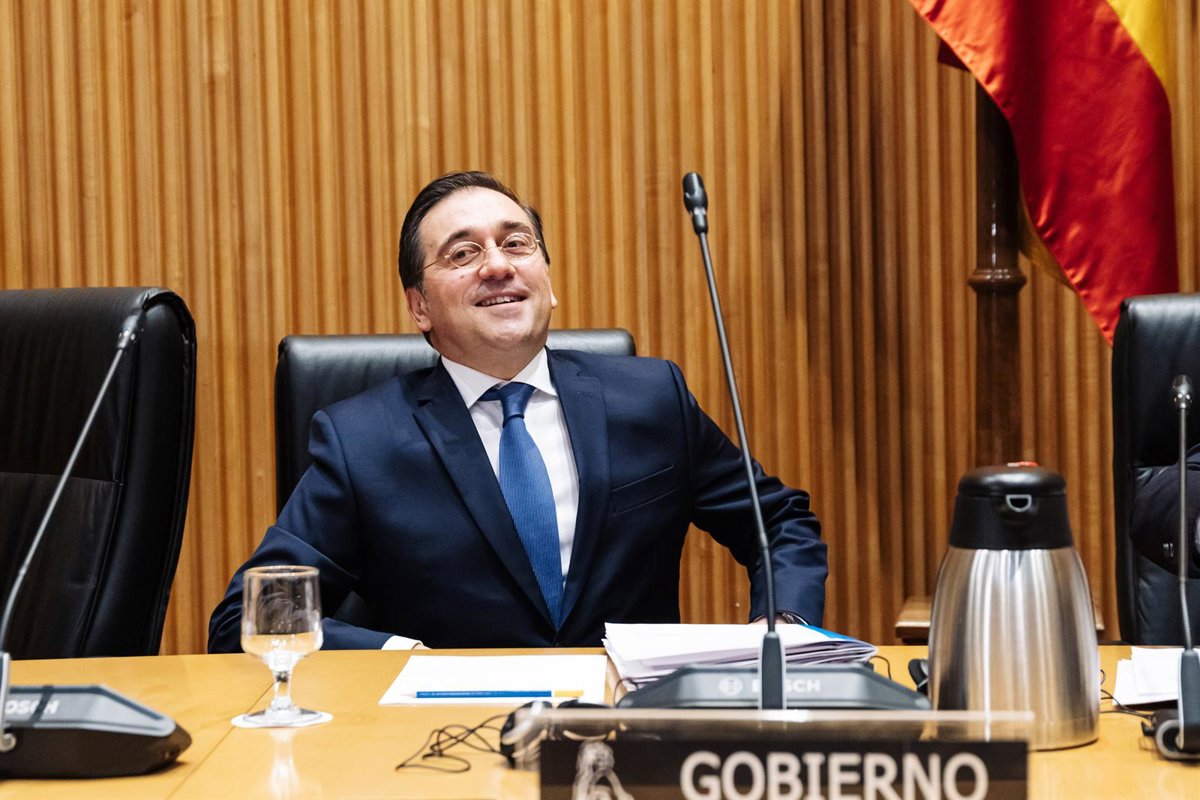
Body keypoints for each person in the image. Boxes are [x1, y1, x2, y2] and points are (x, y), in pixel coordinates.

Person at [208, 171, 826, 651]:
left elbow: (777, 523)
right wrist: (402, 657)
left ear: (548, 281)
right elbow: (249, 616)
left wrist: (783, 627)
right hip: (445, 742)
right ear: (419, 307)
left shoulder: (650, 398)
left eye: (515, 243)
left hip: (633, 729)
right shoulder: (362, 440)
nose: (498, 265)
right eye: (462, 254)